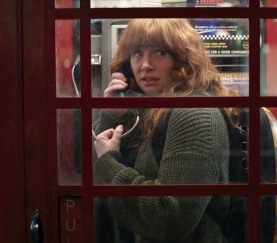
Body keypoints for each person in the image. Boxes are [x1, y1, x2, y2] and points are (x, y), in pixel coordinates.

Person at [93, 19, 242, 243]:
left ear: (183, 59)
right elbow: (89, 181)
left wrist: (108, 161)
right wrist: (111, 114)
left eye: (160, 53)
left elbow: (169, 216)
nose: (145, 65)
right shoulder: (150, 109)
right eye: (136, 53)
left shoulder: (194, 113)